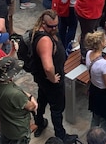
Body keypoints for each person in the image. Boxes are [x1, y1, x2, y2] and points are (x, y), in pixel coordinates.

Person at [31, 9, 78, 143]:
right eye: (51, 26)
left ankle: (39, 122)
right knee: (57, 109)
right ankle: (60, 136)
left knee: (42, 101)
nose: (55, 28)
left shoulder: (40, 33)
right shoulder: (45, 40)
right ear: (44, 24)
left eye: (56, 25)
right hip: (51, 82)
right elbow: (48, 66)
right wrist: (53, 78)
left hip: (42, 80)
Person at [0, 55, 38, 144]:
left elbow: (14, 87)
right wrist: (32, 99)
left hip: (6, 127)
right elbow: (31, 107)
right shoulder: (14, 94)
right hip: (18, 132)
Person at [83, 30, 106, 132]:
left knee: (95, 117)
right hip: (104, 95)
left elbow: (96, 67)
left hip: (94, 91)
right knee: (105, 122)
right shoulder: (103, 64)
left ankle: (92, 138)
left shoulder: (89, 54)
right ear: (101, 43)